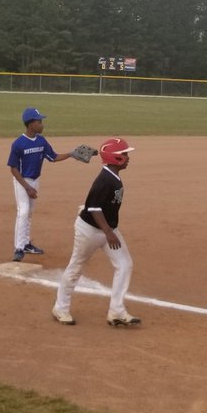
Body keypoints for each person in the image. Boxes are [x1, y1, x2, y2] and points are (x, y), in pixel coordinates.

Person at [52, 137, 141, 328]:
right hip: (90, 231)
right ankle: (60, 308)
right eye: (124, 154)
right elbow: (93, 208)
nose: (127, 157)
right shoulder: (105, 180)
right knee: (76, 266)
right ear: (114, 158)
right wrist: (108, 232)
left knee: (124, 264)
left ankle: (116, 310)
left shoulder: (113, 176)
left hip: (108, 229)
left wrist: (109, 231)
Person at [7, 107, 75, 263]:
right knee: (23, 211)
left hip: (35, 180)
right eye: (39, 122)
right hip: (22, 181)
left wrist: (71, 154)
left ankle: (26, 243)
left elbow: (53, 157)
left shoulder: (41, 141)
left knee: (29, 212)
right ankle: (19, 248)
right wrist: (27, 187)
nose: (42, 125)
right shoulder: (18, 143)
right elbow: (13, 168)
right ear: (31, 124)